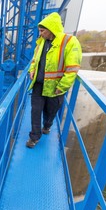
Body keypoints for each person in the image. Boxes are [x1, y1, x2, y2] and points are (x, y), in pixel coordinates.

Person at [26, 12, 82, 148]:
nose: (40, 33)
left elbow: (72, 68)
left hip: (56, 86)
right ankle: (34, 137)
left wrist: (62, 86)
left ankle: (47, 125)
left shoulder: (69, 42)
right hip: (39, 84)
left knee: (51, 111)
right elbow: (34, 60)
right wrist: (31, 70)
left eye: (42, 31)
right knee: (35, 110)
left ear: (51, 29)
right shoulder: (41, 42)